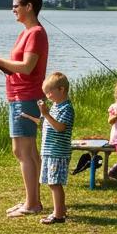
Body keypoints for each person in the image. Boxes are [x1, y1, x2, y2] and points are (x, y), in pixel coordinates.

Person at [0, 0, 49, 218]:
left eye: (15, 6)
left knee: (23, 151)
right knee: (25, 151)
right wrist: (1, 64)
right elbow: (19, 66)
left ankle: (33, 204)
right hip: (18, 96)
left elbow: (28, 67)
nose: (13, 11)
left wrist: (2, 60)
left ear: (28, 7)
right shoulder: (25, 33)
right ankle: (32, 198)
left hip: (27, 97)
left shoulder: (36, 33)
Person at [29, 71, 74, 225]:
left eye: (49, 92)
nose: (47, 95)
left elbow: (60, 127)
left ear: (61, 90)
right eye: (45, 92)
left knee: (55, 183)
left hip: (58, 152)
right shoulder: (55, 107)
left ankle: (59, 215)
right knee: (51, 182)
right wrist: (30, 117)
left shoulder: (66, 108)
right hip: (49, 151)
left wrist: (46, 114)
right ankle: (60, 209)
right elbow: (46, 126)